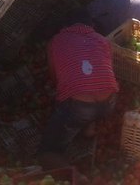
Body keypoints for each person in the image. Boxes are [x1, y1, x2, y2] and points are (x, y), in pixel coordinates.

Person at [38, 11, 118, 170]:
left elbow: (55, 78)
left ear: (65, 27)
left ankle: (77, 177)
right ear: (91, 26)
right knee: (89, 105)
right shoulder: (103, 40)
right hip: (109, 102)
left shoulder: (56, 41)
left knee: (47, 152)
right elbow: (107, 71)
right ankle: (89, 127)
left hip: (78, 107)